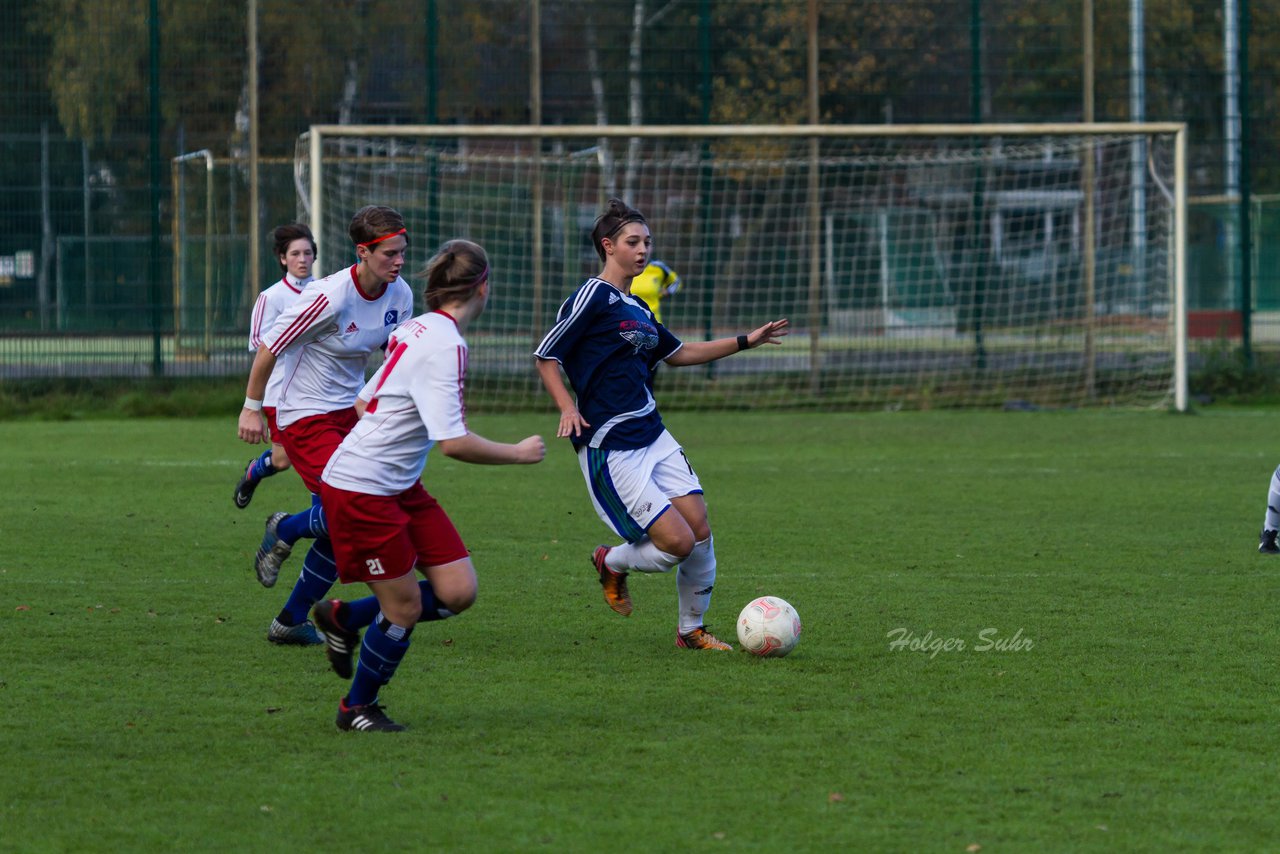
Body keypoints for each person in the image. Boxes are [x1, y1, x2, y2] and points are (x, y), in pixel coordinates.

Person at [311, 239, 545, 732]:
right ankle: (357, 708)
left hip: (397, 485)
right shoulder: (446, 343)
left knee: (458, 592)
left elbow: (363, 402)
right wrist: (518, 453)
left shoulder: (418, 326)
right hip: (363, 490)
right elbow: (454, 444)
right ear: (484, 287)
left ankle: (344, 617)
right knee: (405, 608)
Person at [534, 198, 788, 651]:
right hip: (611, 446)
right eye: (633, 242)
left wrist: (747, 341)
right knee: (676, 544)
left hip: (654, 434)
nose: (643, 249)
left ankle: (691, 630)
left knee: (701, 530)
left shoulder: (638, 307)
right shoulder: (593, 295)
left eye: (647, 242)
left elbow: (679, 354)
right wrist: (566, 406)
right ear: (608, 246)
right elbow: (546, 354)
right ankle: (611, 561)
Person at [237, 205, 415, 646]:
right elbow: (269, 348)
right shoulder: (330, 296)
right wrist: (251, 407)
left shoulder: (401, 294)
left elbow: (398, 359)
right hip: (301, 412)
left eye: (402, 252)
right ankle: (287, 529)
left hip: (349, 412)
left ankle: (289, 621)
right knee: (350, 509)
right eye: (390, 253)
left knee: (344, 523)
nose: (398, 261)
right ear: (363, 252)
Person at [233, 223, 318, 509]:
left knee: (322, 458)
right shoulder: (272, 297)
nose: (302, 259)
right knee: (283, 461)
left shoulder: (326, 292)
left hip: (320, 392)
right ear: (283, 259)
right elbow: (260, 343)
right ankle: (253, 472)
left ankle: (325, 517)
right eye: (295, 253)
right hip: (280, 393)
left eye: (308, 253)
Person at [629, 259, 681, 324]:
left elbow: (676, 282)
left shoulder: (658, 267)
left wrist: (668, 291)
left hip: (653, 319)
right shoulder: (625, 265)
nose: (642, 249)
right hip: (629, 319)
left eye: (646, 247)